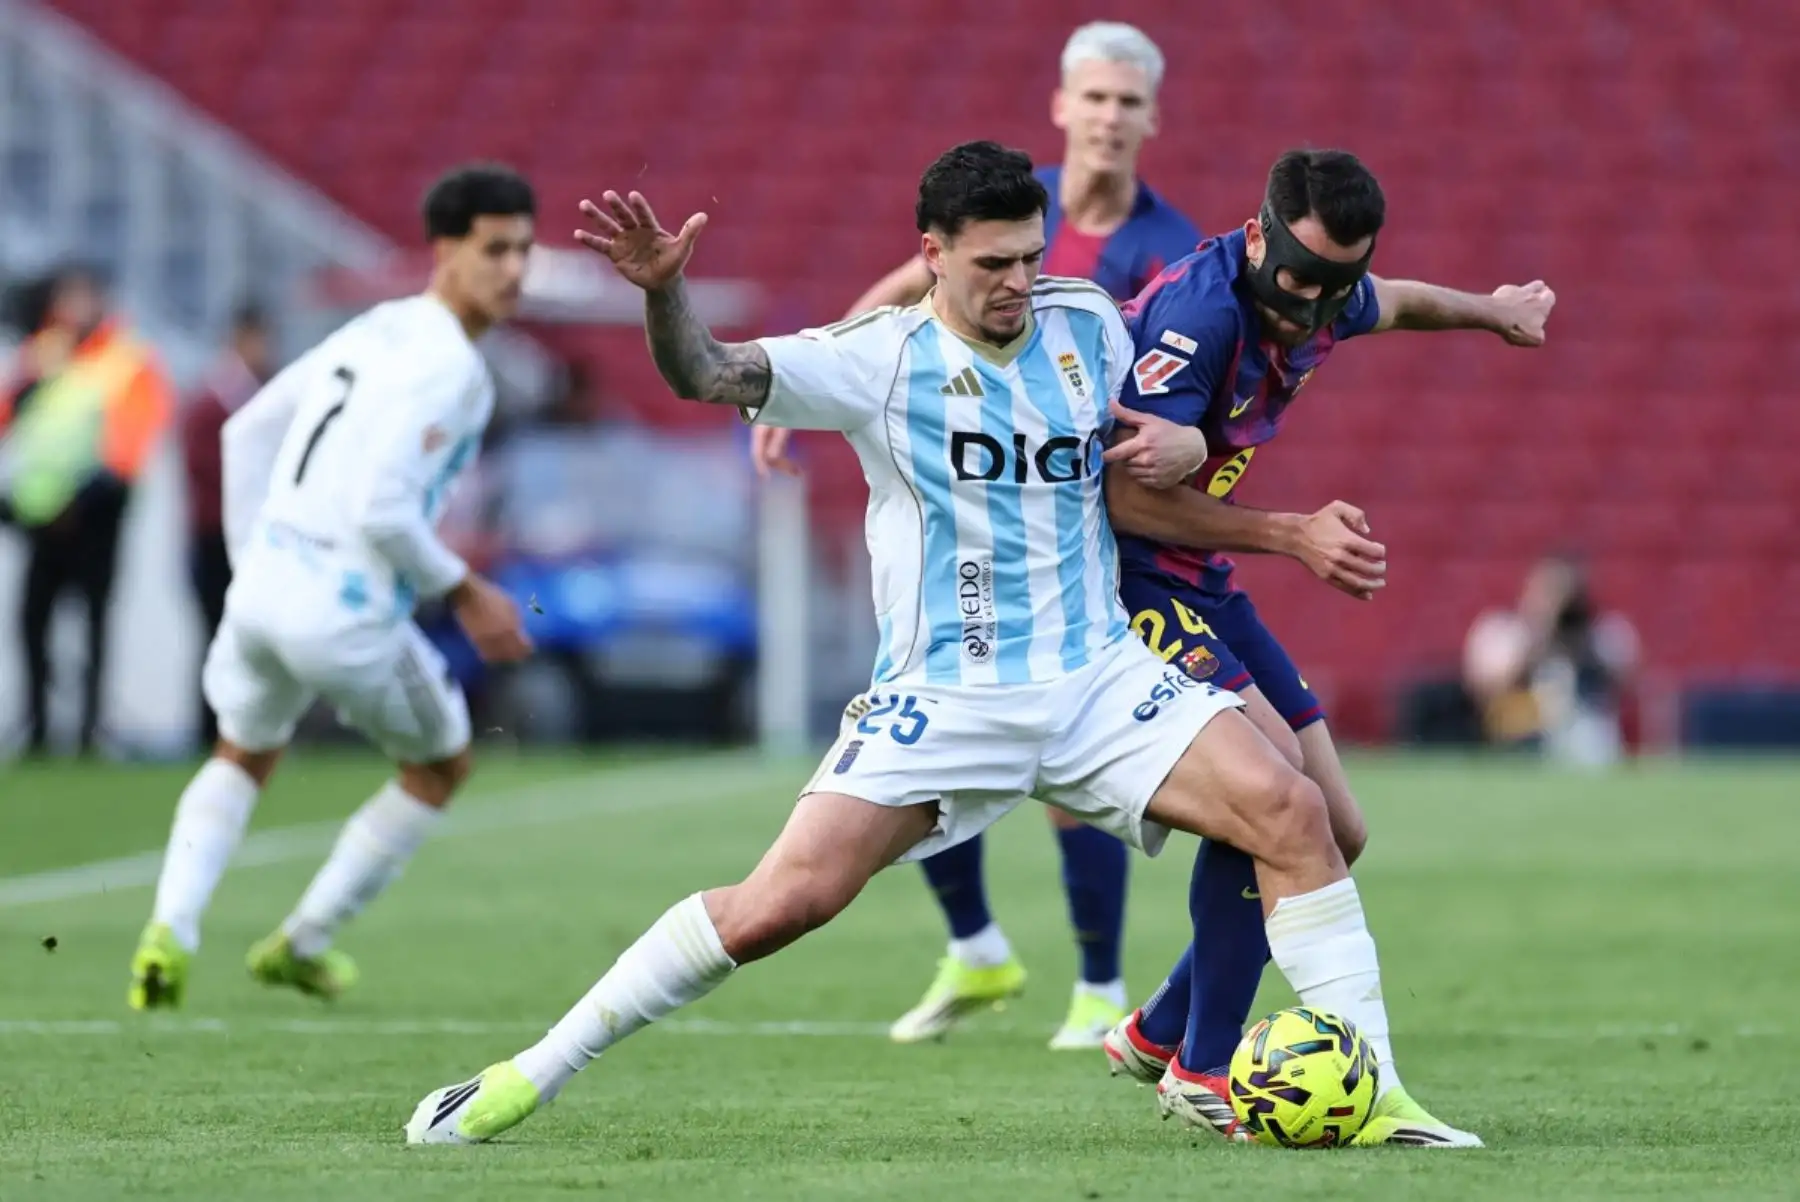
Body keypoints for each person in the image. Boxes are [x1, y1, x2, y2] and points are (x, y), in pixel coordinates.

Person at [405, 141, 1478, 1149]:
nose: (1018, 281)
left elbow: (1165, 416)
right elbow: (705, 374)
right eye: (993, 262)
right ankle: (529, 1071)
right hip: (948, 696)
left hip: (1099, 676)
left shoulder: (1091, 322)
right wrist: (662, 293)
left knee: (1294, 813)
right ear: (932, 254)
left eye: (1030, 255)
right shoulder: (875, 358)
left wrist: (1192, 440)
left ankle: (1372, 1082)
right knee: (780, 904)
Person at [756, 21, 1205, 1051]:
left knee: (1056, 760)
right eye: (1094, 97)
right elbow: (903, 297)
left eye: (1128, 102)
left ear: (1151, 119)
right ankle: (977, 945)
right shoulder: (1008, 204)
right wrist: (804, 374)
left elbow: (1175, 387)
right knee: (927, 718)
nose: (1108, 117)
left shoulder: (1161, 249)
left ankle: (1098, 981)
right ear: (1062, 105)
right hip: (979, 511)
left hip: (1083, 524)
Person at [1093, 148, 1554, 1141]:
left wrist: (1493, 308)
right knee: (1271, 797)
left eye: (1332, 284)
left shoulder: (1328, 291)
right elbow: (1127, 495)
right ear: (1258, 233)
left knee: (1336, 828)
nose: (1308, 306)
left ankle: (1155, 1026)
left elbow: (1403, 300)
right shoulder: (1200, 318)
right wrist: (1290, 532)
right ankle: (1199, 1062)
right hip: (1123, 574)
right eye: (1295, 278)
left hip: (1199, 574)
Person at [127, 164, 538, 1011]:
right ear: (445, 250)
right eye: (495, 249)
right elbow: (382, 510)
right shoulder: (456, 373)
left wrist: (259, 557)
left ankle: (170, 928)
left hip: (264, 594)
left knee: (242, 750)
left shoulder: (376, 327)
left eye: (524, 251)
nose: (514, 271)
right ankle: (301, 942)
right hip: (345, 613)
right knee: (440, 763)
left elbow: (250, 430)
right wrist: (469, 592)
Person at [0, 265, 175, 755]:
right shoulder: (40, 355)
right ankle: (36, 728)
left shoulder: (127, 358)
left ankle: (89, 731)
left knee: (94, 624)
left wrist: (86, 499)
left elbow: (133, 442)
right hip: (40, 518)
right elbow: (13, 422)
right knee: (32, 623)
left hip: (95, 520)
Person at [182, 302, 278, 748]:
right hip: (215, 535)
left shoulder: (254, 393)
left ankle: (243, 730)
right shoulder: (214, 400)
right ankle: (213, 731)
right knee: (218, 634)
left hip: (245, 535)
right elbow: (206, 470)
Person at [1464, 553, 1637, 766]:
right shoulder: (1503, 629)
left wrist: (1579, 645)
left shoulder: (1603, 633)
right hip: (1521, 734)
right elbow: (1486, 684)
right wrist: (1539, 633)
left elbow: (1629, 681)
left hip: (1586, 733)